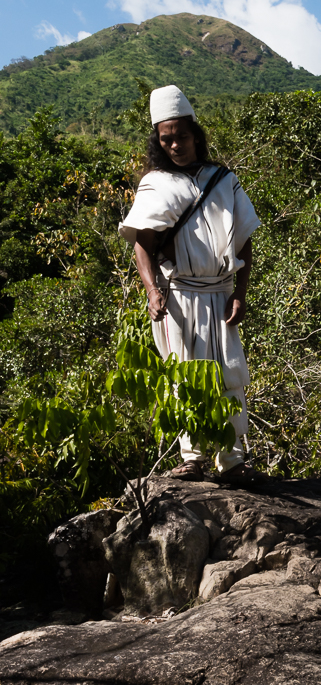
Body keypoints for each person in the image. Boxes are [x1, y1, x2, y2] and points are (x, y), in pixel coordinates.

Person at [119, 85, 260, 481]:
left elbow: (245, 241)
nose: (176, 145)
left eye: (181, 136)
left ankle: (233, 462)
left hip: (220, 293)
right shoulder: (156, 183)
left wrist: (240, 295)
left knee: (230, 376)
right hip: (178, 296)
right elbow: (143, 246)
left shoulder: (223, 180)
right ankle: (193, 458)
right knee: (184, 377)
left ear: (195, 134)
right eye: (167, 139)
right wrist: (151, 292)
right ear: (158, 141)